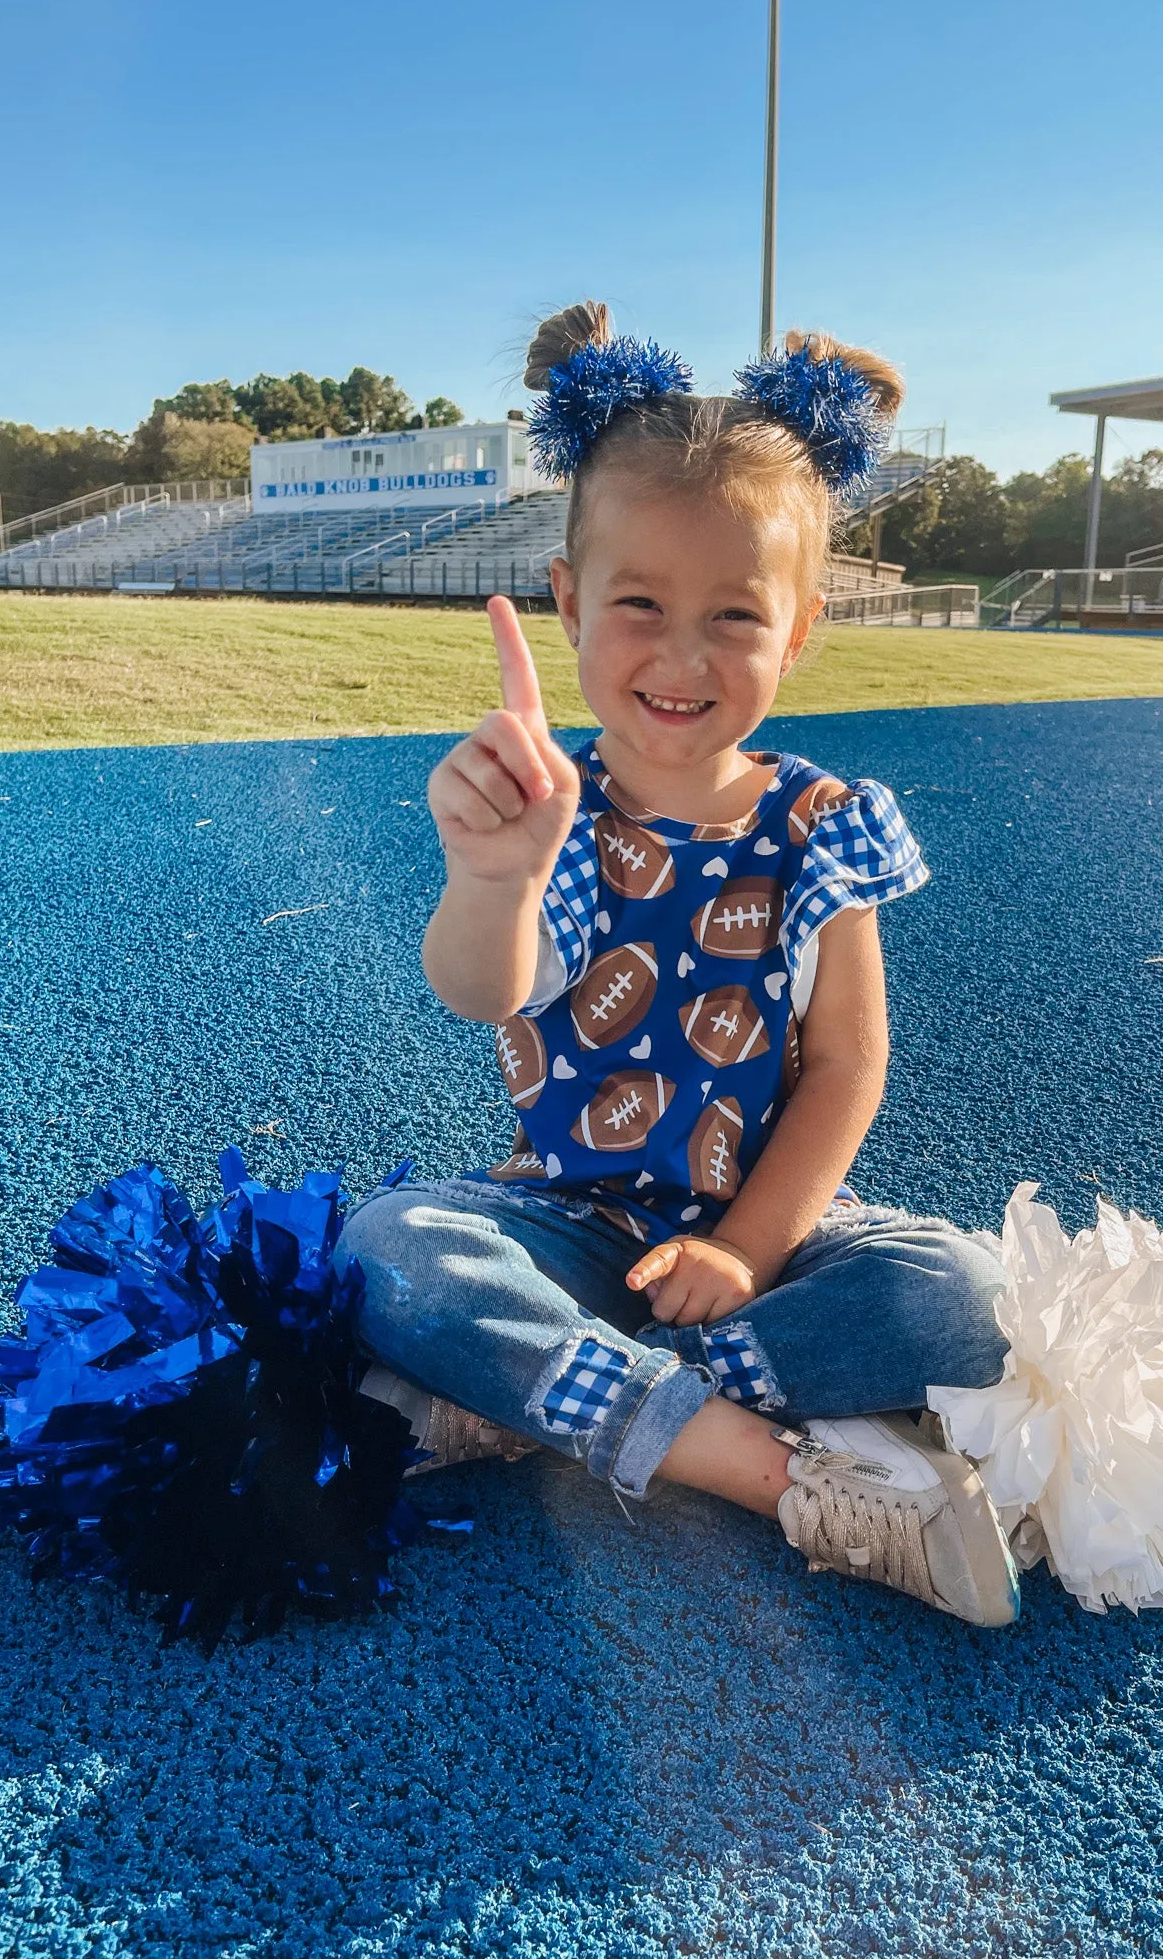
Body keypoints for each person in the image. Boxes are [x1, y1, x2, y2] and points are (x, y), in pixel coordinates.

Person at [333, 302, 1021, 1629]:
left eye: (736, 616)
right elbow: (489, 986)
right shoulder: (554, 809)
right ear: (569, 600)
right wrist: (496, 875)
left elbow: (848, 1065)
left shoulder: (823, 823)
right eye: (639, 604)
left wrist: (752, 1251)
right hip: (570, 1219)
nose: (683, 655)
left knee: (966, 1300)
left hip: (770, 1232)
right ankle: (774, 1475)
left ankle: (537, 1402)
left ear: (802, 627)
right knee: (389, 1255)